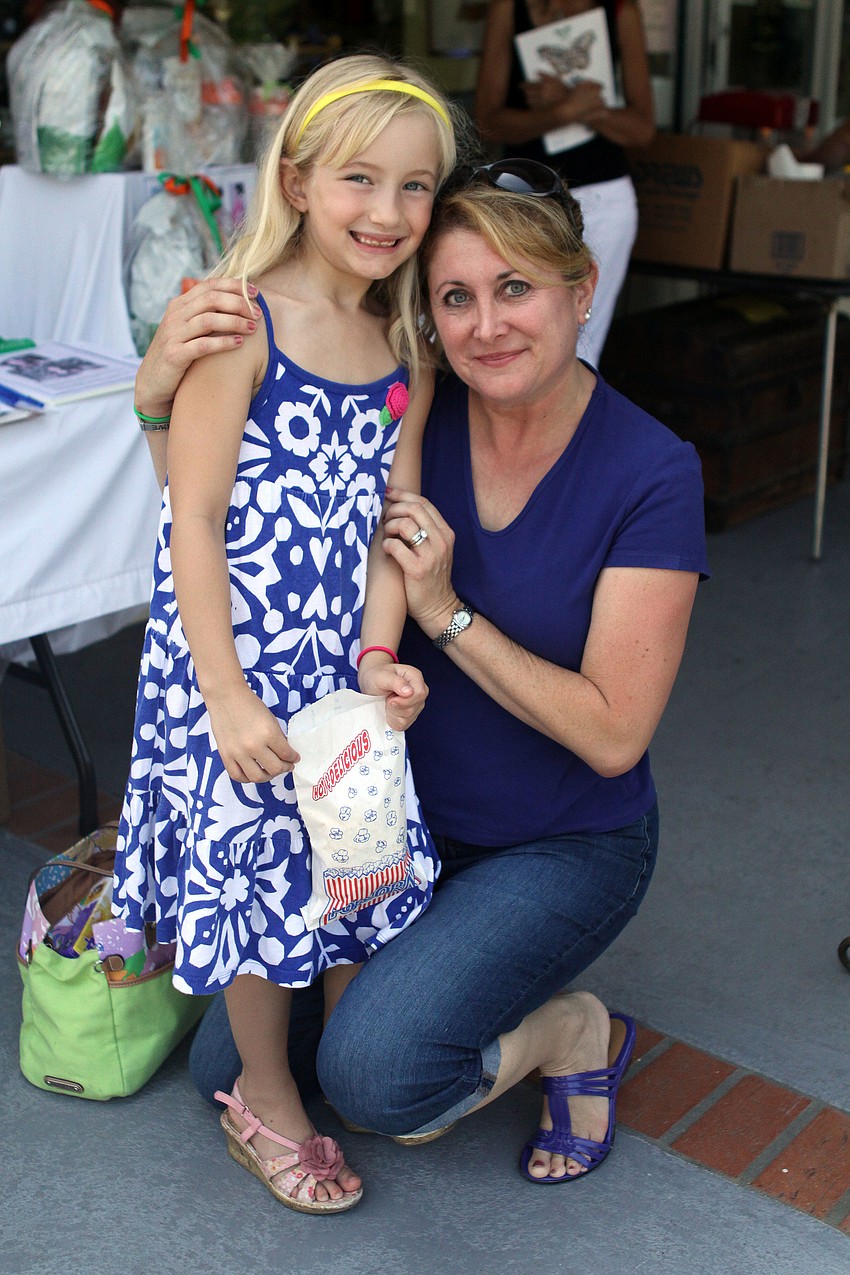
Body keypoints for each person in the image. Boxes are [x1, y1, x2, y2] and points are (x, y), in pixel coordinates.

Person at [133, 156, 708, 1187]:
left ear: (581, 288)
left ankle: (571, 1032)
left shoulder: (650, 469)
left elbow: (615, 732)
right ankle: (430, 982)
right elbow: (224, 514)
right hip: (389, 818)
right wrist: (154, 401)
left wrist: (442, 611)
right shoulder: (410, 403)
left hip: (560, 838)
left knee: (377, 1085)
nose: (486, 325)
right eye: (456, 297)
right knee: (224, 1061)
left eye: (516, 288)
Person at [113, 53, 460, 1214]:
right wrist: (223, 694)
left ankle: (354, 1059)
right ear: (299, 181)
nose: (390, 212)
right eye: (362, 179)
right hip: (236, 672)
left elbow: (382, 531)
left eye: (416, 189)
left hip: (329, 674)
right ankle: (265, 1093)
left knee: (346, 864)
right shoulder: (239, 322)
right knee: (261, 879)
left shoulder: (402, 348)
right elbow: (192, 515)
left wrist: (376, 660)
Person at [473, 0, 654, 365]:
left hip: (604, 198)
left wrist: (579, 105)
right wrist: (561, 113)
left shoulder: (622, 11)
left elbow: (642, 129)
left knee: (584, 340)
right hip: (525, 199)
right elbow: (488, 121)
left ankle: (573, 422)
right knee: (519, 327)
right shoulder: (509, 8)